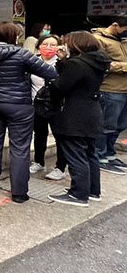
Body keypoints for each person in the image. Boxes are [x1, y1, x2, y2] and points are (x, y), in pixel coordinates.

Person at [0, 22, 57, 203]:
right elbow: (50, 72)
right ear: (12, 36)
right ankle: (19, 193)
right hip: (19, 106)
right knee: (20, 148)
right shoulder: (21, 53)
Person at [48, 32, 110, 206]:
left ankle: (78, 194)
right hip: (92, 112)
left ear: (75, 44)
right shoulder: (98, 62)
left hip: (74, 114)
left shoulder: (76, 64)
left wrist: (53, 79)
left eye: (66, 43)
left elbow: (61, 86)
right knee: (90, 154)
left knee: (76, 155)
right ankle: (93, 191)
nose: (64, 46)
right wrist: (63, 61)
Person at [28, 34, 67, 180]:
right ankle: (39, 161)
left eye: (52, 45)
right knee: (39, 135)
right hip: (36, 105)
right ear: (39, 46)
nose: (48, 48)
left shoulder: (62, 62)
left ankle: (60, 167)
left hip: (55, 105)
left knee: (59, 136)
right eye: (45, 44)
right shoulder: (33, 61)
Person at [91, 17, 127, 175]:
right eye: (125, 28)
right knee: (106, 125)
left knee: (120, 125)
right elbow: (101, 64)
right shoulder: (98, 40)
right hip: (110, 89)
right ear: (115, 25)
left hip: (124, 89)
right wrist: (125, 67)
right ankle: (99, 156)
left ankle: (109, 153)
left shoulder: (123, 40)